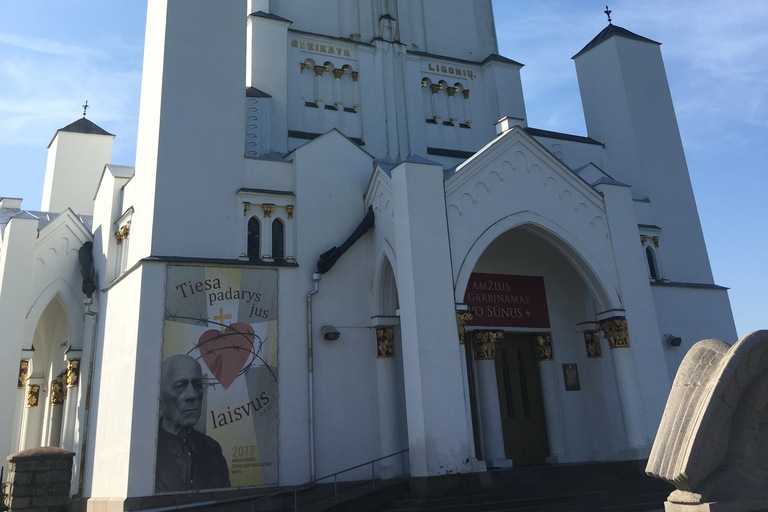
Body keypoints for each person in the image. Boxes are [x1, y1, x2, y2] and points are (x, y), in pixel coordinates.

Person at [155, 354, 231, 492]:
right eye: (180, 386)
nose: (192, 395)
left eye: (197, 385)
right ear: (160, 396)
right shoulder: (147, 450)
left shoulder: (212, 449)